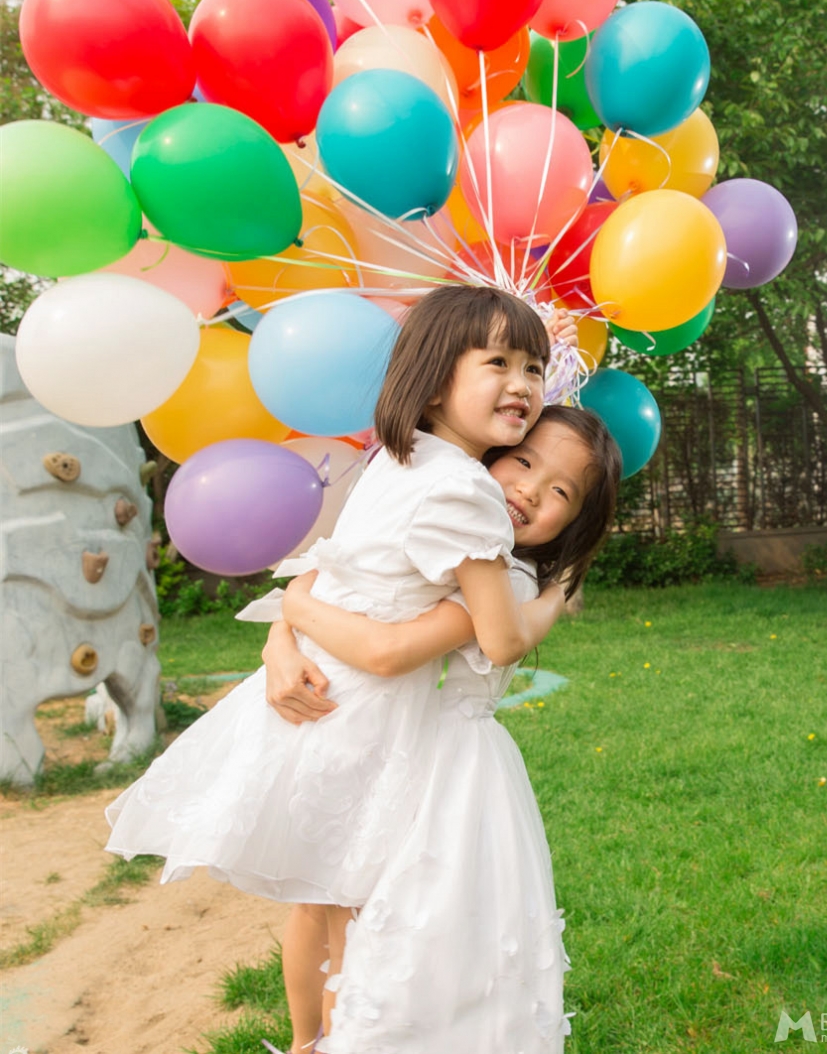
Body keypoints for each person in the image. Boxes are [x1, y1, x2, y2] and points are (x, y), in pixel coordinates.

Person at [105, 285, 566, 1041]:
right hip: (368, 729)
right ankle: (347, 1037)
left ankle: (304, 1040)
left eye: (535, 368)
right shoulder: (466, 491)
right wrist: (551, 593)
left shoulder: (395, 462)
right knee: (359, 916)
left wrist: (289, 622)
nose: (522, 384)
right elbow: (501, 639)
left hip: (311, 706)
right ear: (436, 372)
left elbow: (327, 569)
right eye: (499, 362)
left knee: (317, 902)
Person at [263, 405, 622, 1053]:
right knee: (321, 902)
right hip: (372, 736)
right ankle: (304, 1040)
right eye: (523, 461)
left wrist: (294, 606)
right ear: (491, 453)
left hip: (437, 764)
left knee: (367, 920)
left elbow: (386, 650)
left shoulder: (503, 577)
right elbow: (339, 583)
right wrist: (280, 634)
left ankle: (345, 1040)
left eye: (561, 491)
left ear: (577, 521)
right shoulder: (435, 533)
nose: (531, 490)